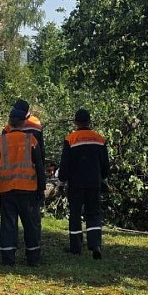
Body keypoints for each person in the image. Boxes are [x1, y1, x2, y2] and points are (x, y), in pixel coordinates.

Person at [0, 106, 46, 266]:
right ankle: (33, 258)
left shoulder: (1, 140)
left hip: (6, 189)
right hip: (28, 189)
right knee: (31, 225)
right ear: (23, 122)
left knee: (8, 224)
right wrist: (41, 189)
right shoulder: (31, 140)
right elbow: (39, 167)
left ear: (9, 122)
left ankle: (8, 258)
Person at [58, 108, 110, 259]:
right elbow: (105, 164)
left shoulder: (70, 139)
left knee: (75, 214)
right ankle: (95, 244)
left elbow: (65, 164)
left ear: (75, 122)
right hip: (94, 183)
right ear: (89, 121)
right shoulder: (99, 139)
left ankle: (76, 247)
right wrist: (104, 179)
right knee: (93, 213)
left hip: (76, 184)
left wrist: (61, 182)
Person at [2, 98, 45, 166]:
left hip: (12, 163)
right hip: (31, 165)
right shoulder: (36, 123)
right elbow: (41, 148)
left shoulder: (10, 126)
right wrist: (41, 166)